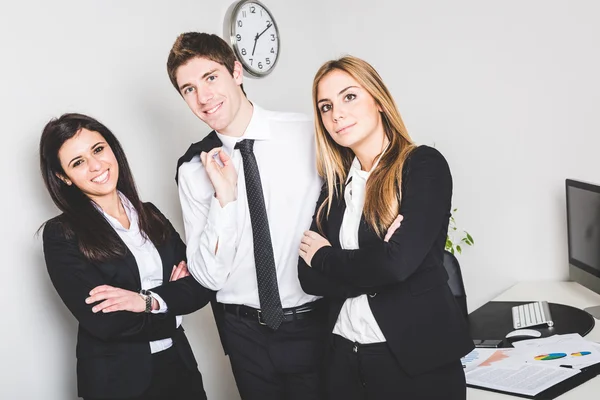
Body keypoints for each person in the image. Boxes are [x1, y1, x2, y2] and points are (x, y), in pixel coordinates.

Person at [297, 56, 474, 400]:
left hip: (416, 361)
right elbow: (307, 277)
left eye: (349, 97)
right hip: (345, 358)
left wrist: (326, 256)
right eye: (325, 106)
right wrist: (374, 263)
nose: (337, 114)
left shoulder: (422, 166)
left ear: (378, 100)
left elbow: (396, 264)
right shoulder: (334, 186)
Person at [166, 32, 326, 400]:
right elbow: (208, 275)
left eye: (210, 77)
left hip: (312, 323)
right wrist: (225, 199)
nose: (203, 97)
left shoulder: (307, 133)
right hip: (243, 335)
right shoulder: (193, 169)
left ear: (236, 71)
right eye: (188, 89)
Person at [40, 113, 211, 400]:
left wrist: (144, 301)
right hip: (119, 381)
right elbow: (107, 322)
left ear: (112, 148)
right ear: (63, 176)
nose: (96, 165)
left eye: (98, 149)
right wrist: (171, 306)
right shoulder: (62, 234)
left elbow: (200, 284)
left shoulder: (151, 214)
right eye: (78, 162)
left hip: (179, 368)